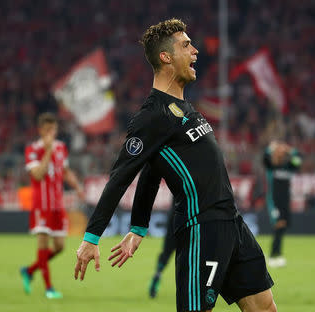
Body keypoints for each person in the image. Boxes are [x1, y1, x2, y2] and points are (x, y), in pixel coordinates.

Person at [74, 19, 276, 312]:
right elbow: (121, 176)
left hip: (232, 223)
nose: (195, 51)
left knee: (264, 308)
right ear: (165, 57)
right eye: (186, 45)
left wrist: (139, 226)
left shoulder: (185, 108)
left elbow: (153, 170)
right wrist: (92, 237)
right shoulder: (152, 116)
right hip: (201, 228)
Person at [20, 112, 85, 299]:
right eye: (47, 130)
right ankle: (49, 288)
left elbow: (65, 172)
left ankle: (29, 270)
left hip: (57, 205)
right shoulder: (33, 150)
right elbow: (38, 175)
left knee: (59, 246)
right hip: (41, 205)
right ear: (40, 130)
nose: (51, 133)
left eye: (53, 129)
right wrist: (47, 151)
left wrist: (77, 186)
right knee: (42, 244)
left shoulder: (61, 148)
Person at [263, 141, 302, 268]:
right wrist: (271, 148)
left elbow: (298, 160)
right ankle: (273, 255)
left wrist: (290, 150)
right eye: (277, 152)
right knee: (279, 225)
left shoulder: (288, 167)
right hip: (274, 202)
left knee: (283, 227)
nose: (279, 154)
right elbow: (265, 157)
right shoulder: (271, 168)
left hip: (285, 203)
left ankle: (277, 254)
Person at [149, 200, 176, 298]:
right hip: (183, 222)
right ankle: (157, 276)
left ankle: (157, 275)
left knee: (166, 254)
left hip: (174, 221)